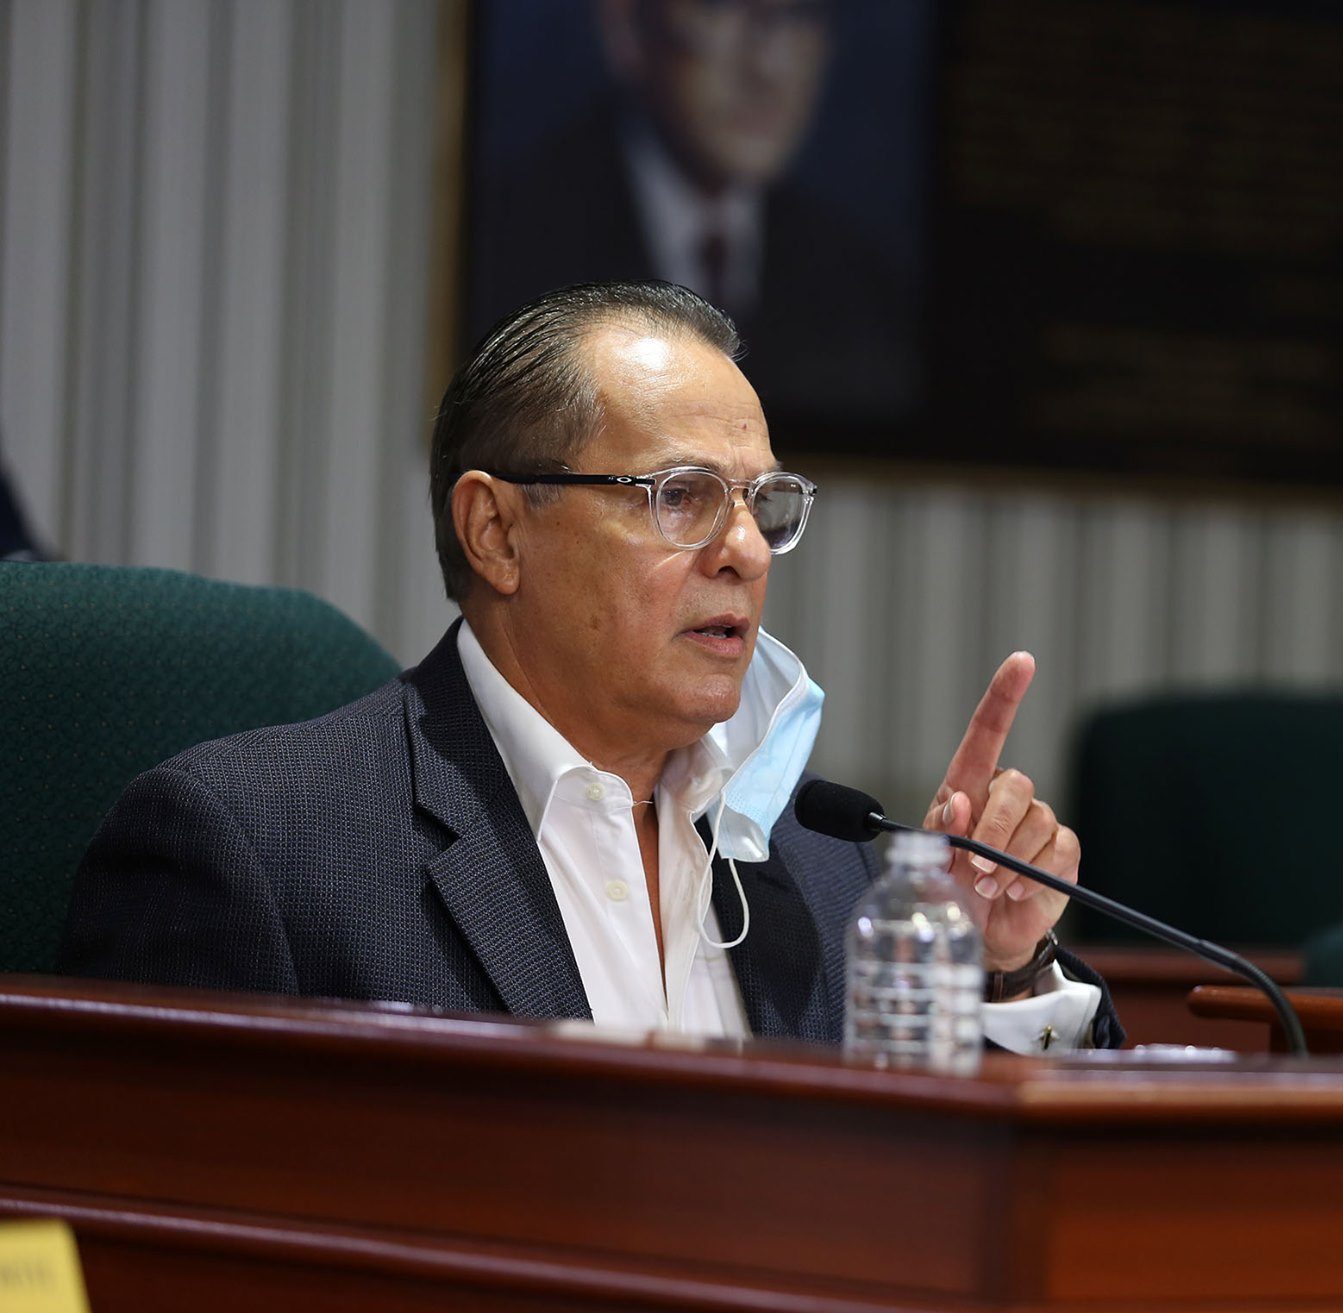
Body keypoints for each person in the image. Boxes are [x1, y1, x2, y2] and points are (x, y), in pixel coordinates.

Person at [61, 281, 1121, 1051]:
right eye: (680, 495)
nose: (745, 551)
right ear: (496, 532)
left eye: (761, 503)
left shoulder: (834, 873)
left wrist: (997, 969)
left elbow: (962, 1208)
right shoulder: (256, 852)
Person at [467, 0, 916, 427]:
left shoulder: (865, 288)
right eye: (718, 8)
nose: (768, 66)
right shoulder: (509, 239)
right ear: (625, 26)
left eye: (798, 15)